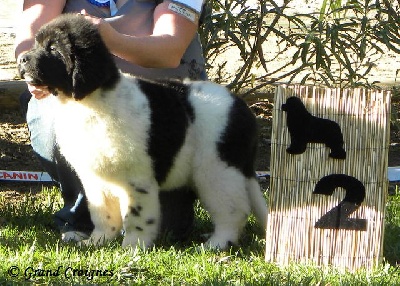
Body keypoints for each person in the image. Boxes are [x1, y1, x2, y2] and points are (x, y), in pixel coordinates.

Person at [15, 0, 207, 242]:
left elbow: (169, 51)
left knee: (164, 229)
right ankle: (84, 217)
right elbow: (31, 32)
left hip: (165, 104)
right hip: (81, 93)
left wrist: (106, 37)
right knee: (54, 124)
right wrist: (34, 69)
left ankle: (145, 212)